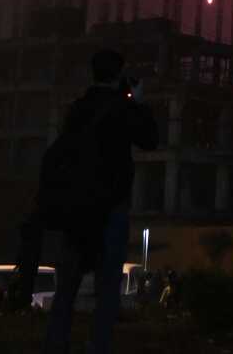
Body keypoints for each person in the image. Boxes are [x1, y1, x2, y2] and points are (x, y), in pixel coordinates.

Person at [42, 49, 158, 354]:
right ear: (119, 75)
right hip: (111, 205)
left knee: (68, 283)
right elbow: (150, 140)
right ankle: (99, 345)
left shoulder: (78, 109)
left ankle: (57, 343)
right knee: (108, 285)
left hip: (77, 207)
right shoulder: (123, 108)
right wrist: (140, 102)